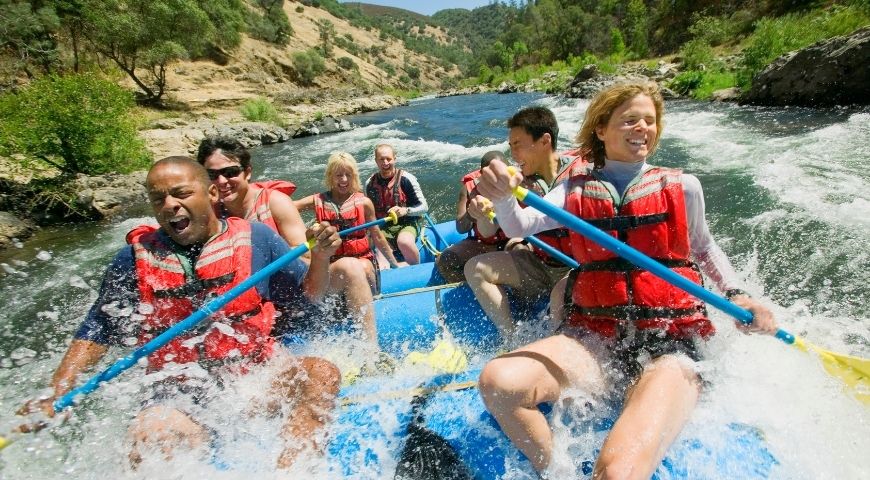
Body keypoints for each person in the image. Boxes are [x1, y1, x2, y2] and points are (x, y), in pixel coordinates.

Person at [474, 82, 779, 478]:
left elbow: (704, 248)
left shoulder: (683, 187)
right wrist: (501, 197)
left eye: (650, 121)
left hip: (669, 346)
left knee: (617, 472)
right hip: (597, 340)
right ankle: (556, 471)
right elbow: (520, 222)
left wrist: (740, 295)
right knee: (499, 382)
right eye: (630, 120)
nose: (642, 128)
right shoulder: (574, 189)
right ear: (601, 129)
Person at [18, 157, 342, 469]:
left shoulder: (258, 238)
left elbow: (308, 297)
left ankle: (292, 471)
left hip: (255, 377)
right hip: (180, 393)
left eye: (181, 193)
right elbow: (98, 329)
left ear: (211, 194)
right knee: (150, 437)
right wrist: (58, 392)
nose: (169, 204)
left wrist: (321, 257)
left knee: (322, 374)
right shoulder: (132, 259)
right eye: (158, 199)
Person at [464, 107, 583, 337]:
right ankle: (511, 339)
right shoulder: (518, 182)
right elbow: (491, 230)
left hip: (575, 267)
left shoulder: (581, 175)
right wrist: (482, 214)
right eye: (510, 146)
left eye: (517, 144)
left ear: (544, 141)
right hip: (540, 264)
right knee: (475, 268)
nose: (513, 153)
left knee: (559, 293)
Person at [294, 151, 400, 344]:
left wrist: (394, 264)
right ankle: (337, 309)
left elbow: (376, 235)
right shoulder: (317, 200)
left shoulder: (364, 203)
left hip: (362, 263)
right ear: (330, 176)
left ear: (354, 177)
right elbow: (288, 209)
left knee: (364, 267)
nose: (343, 180)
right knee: (346, 267)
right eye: (338, 175)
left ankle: (365, 307)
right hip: (332, 269)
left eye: (348, 175)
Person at [196, 136, 308, 254]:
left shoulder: (277, 203)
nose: (221, 181)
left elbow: (306, 254)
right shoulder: (208, 211)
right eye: (212, 174)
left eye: (230, 172)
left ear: (248, 173)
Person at [435, 151, 510, 283]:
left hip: (510, 242)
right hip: (483, 244)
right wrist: (472, 213)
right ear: (482, 173)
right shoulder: (468, 190)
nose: (498, 176)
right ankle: (474, 291)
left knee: (522, 251)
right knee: (445, 260)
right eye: (492, 173)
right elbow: (461, 227)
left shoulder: (518, 185)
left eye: (501, 171)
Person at [365, 143, 428, 266]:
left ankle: (416, 270)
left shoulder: (407, 179)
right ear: (376, 161)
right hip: (383, 228)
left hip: (407, 223)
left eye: (388, 159)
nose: (385, 163)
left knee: (404, 242)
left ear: (395, 158)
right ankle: (388, 274)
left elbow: (424, 207)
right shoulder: (370, 183)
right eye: (381, 159)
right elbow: (367, 213)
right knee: (380, 253)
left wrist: (406, 211)